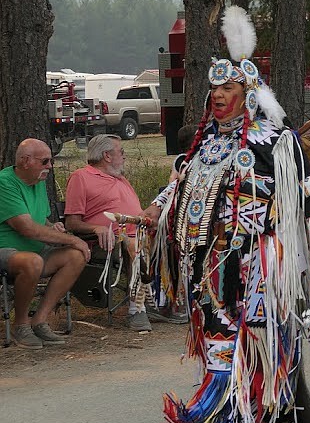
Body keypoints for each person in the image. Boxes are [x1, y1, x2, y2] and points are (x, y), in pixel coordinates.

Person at [143, 6, 310, 423]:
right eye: (213, 90)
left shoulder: (274, 142)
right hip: (207, 260)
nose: (217, 97)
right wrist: (153, 212)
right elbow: (180, 183)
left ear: (248, 94)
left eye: (227, 89)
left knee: (230, 342)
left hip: (256, 261)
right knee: (243, 339)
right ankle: (275, 408)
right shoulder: (204, 143)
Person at [64, 134, 186, 331]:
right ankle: (137, 309)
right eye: (121, 151)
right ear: (107, 156)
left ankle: (161, 302)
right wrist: (96, 228)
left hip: (138, 233)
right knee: (134, 245)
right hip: (105, 242)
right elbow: (72, 222)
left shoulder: (121, 179)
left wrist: (152, 218)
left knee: (174, 240)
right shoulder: (82, 177)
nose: (125, 156)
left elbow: (136, 213)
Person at [0, 139, 90, 349]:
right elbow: (26, 228)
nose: (50, 166)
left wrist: (53, 226)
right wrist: (72, 238)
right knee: (32, 262)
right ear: (25, 161)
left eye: (51, 161)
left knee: (76, 256)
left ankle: (39, 320)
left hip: (36, 251)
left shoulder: (37, 182)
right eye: (45, 161)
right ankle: (20, 325)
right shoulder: (5, 183)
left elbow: (40, 222)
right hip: (6, 251)